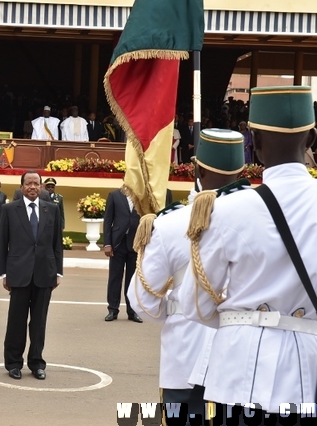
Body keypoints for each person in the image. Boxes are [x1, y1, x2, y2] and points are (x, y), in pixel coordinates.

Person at [180, 86, 317, 422]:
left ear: (252, 141)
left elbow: (195, 303)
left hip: (237, 370)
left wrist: (242, 319)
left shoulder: (228, 209)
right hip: (308, 372)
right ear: (311, 139)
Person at [128, 129, 247, 424]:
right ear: (243, 170)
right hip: (244, 361)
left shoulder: (170, 224)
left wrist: (175, 310)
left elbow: (141, 300)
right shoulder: (263, 218)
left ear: (197, 169)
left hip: (184, 354)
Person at [0, 170, 63, 381]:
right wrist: (3, 273)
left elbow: (57, 244)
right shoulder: (9, 209)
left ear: (41, 186)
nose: (33, 187)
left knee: (39, 322)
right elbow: (1, 242)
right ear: (22, 186)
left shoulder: (51, 209)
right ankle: (14, 363)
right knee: (16, 321)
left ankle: (36, 362)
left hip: (45, 273)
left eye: (36, 183)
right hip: (18, 273)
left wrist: (58, 272)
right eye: (29, 183)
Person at [103, 189, 142, 323]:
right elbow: (108, 220)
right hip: (117, 243)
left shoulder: (141, 195)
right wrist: (107, 243)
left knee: (133, 280)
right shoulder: (114, 195)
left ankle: (132, 311)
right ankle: (112, 310)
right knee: (115, 277)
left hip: (135, 243)